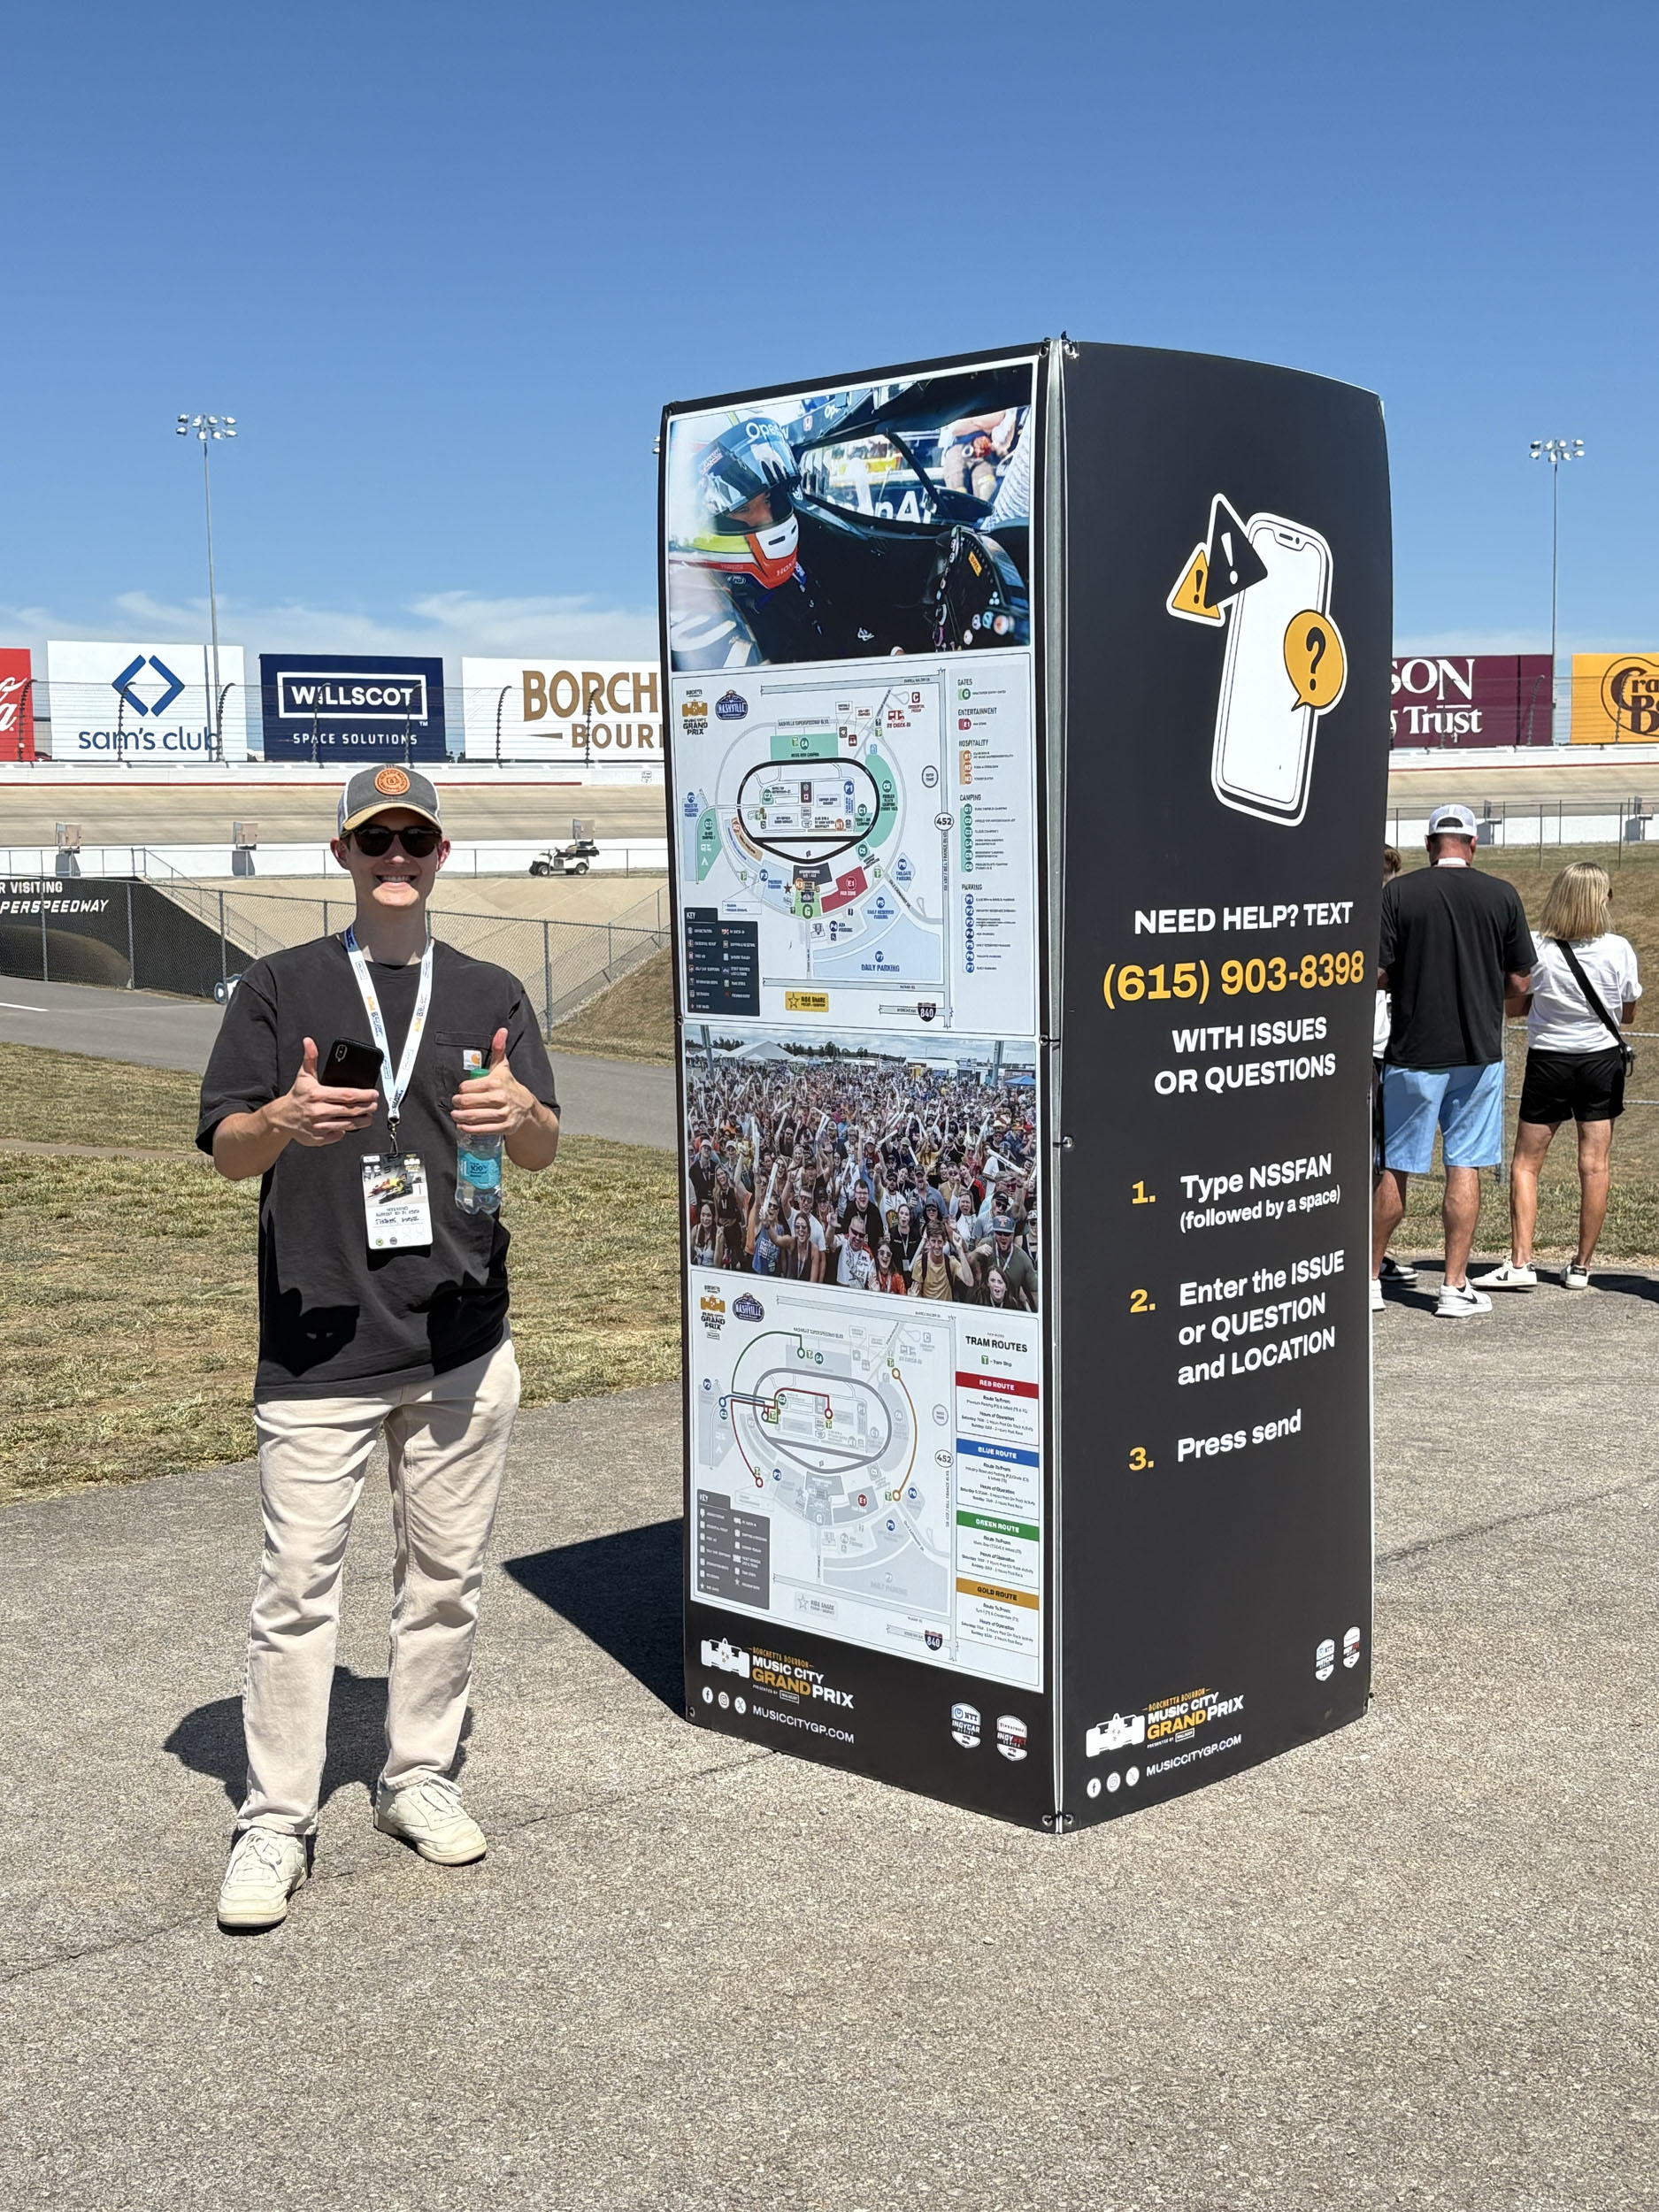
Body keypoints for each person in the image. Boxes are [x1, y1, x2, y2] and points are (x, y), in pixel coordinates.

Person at [198, 765, 561, 1933]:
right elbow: (227, 1152)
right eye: (375, 840)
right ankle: (274, 1820)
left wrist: (522, 1114)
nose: (395, 857)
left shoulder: (490, 990)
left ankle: (417, 1777)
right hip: (322, 1349)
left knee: (443, 1583)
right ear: (344, 855)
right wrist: (281, 1119)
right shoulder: (280, 985)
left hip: (460, 1340)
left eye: (414, 839)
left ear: (441, 853)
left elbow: (543, 1148)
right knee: (296, 1592)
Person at [1371, 803, 1533, 1318]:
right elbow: (1521, 982)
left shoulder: (1399, 893)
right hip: (1478, 1052)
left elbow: (1378, 971)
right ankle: (1453, 1285)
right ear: (1473, 844)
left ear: (1429, 844)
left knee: (1396, 1167)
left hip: (1413, 1050)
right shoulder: (1502, 894)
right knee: (1464, 1164)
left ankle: (1369, 1281)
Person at [1476, 862, 1640, 1293]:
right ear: (1601, 900)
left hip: (1549, 1059)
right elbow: (1626, 1013)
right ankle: (1582, 1266)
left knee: (1526, 1164)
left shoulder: (1539, 947)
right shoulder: (1619, 949)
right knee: (1594, 1165)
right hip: (1601, 1060)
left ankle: (1521, 1260)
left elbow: (1515, 1007)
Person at [1374, 846, 1417, 1291]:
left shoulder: (1393, 918)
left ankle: (1372, 1252)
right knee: (1368, 1160)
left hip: (1389, 1049)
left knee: (1381, 1161)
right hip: (1363, 1053)